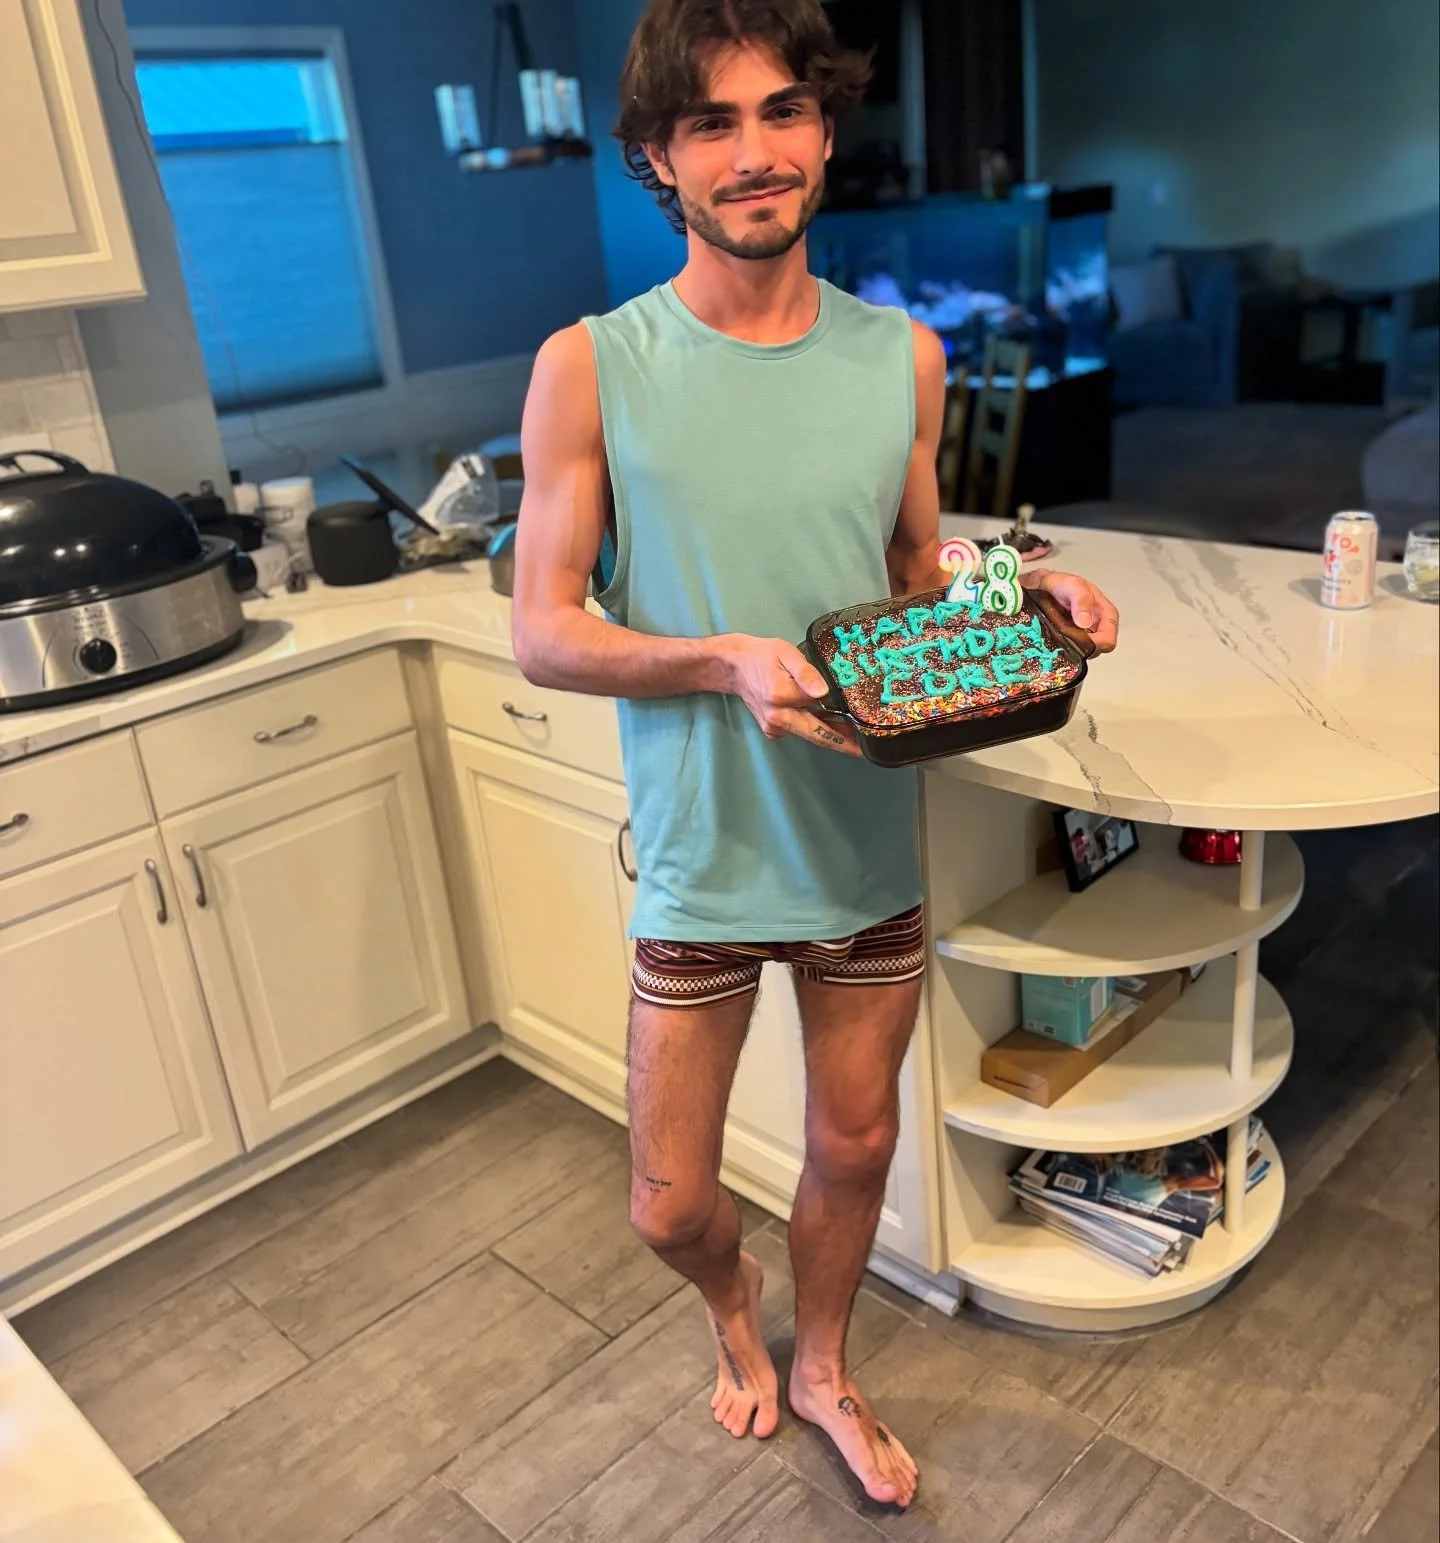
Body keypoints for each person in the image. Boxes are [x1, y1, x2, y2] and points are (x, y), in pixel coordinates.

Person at [511, 0, 1119, 1510]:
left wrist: (1017, 594)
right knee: (667, 1204)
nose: (755, 152)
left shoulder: (901, 357)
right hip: (705, 857)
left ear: (826, 130)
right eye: (709, 123)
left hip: (860, 851)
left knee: (855, 1144)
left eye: (782, 110)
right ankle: (737, 1314)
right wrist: (718, 658)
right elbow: (543, 630)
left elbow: (911, 570)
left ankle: (827, 1363)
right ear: (660, 158)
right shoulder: (591, 366)